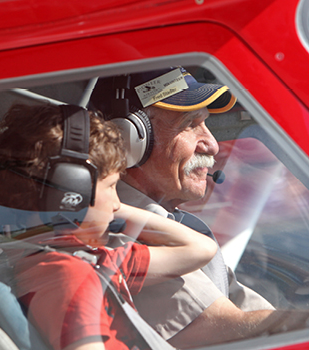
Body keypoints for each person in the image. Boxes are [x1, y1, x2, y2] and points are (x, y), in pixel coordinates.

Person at [90, 66, 309, 348]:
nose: (213, 145)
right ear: (129, 138)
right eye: (190, 124)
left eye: (206, 123)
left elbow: (252, 312)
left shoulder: (175, 225)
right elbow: (227, 327)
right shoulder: (123, 236)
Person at [0, 102, 217, 350]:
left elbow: (200, 249)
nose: (118, 203)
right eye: (111, 187)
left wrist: (97, 205)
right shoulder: (68, 275)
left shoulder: (88, 260)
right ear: (70, 192)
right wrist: (91, 207)